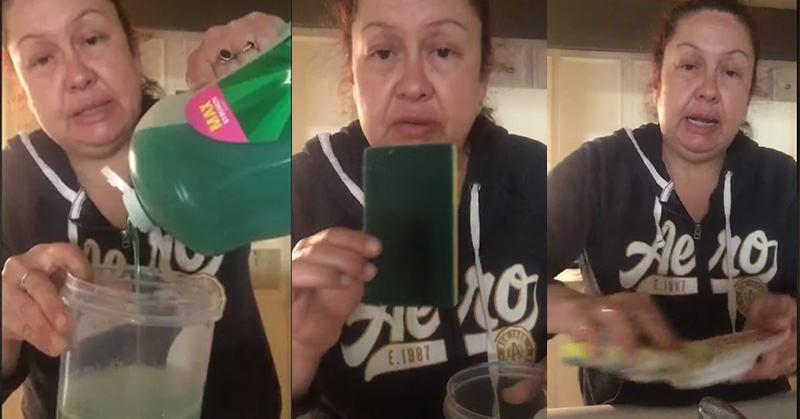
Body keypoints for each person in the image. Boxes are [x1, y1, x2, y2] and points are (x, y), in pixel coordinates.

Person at [1, 0, 285, 417]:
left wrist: (277, 61)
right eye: (42, 58)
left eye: (92, 38)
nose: (78, 76)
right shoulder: (13, 182)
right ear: (18, 82)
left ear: (132, 46)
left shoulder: (202, 133)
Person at [290, 0, 546, 417]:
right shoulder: (298, 190)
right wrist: (299, 347)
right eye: (383, 52)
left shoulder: (537, 178)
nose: (413, 85)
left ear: (482, 73)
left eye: (443, 51)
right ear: (352, 71)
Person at [547, 0, 797, 406]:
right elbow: (498, 275)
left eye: (731, 72)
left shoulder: (784, 182)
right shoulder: (595, 171)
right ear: (657, 80)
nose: (709, 89)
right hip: (626, 411)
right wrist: (576, 311)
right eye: (689, 65)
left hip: (757, 408)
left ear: (749, 93)